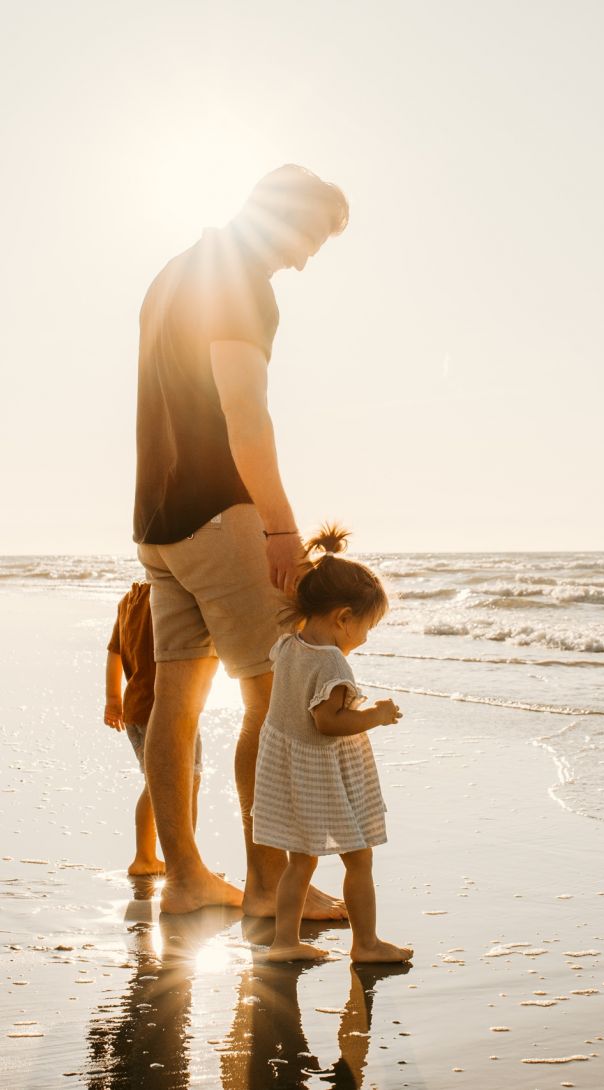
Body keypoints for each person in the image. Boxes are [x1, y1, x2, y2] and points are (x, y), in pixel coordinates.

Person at [133, 165, 350, 915]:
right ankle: (266, 889)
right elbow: (244, 413)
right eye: (311, 237)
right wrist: (281, 524)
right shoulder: (241, 283)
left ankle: (188, 881)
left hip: (158, 524)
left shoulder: (170, 276)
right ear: (282, 215)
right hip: (222, 513)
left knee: (177, 703)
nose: (305, 259)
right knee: (273, 698)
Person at [253, 525, 413, 964]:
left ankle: (284, 942)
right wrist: (375, 717)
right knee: (358, 860)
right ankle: (366, 943)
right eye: (366, 626)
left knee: (300, 861)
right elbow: (328, 723)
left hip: (287, 769)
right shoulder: (332, 664)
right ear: (343, 617)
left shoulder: (287, 646)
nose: (365, 637)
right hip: (323, 775)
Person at [104, 581, 203, 875]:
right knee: (186, 782)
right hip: (165, 709)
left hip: (136, 708)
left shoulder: (129, 599)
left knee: (155, 783)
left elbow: (114, 651)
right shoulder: (169, 597)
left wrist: (112, 699)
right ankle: (185, 863)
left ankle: (145, 856)